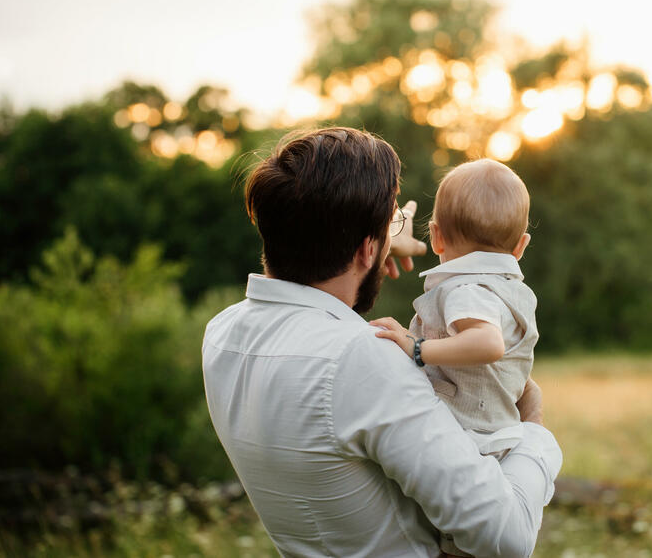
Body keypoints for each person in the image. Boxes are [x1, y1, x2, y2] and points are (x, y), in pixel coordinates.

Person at [201, 128, 561, 558]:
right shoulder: (365, 360)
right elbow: (506, 537)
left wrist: (372, 245)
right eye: (390, 223)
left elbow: (310, 300)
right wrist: (533, 429)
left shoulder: (223, 334)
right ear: (365, 251)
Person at [369, 159, 540, 557]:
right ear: (521, 246)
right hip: (494, 431)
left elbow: (487, 344)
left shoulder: (466, 288)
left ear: (436, 237)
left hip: (469, 437)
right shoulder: (505, 289)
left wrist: (417, 347)